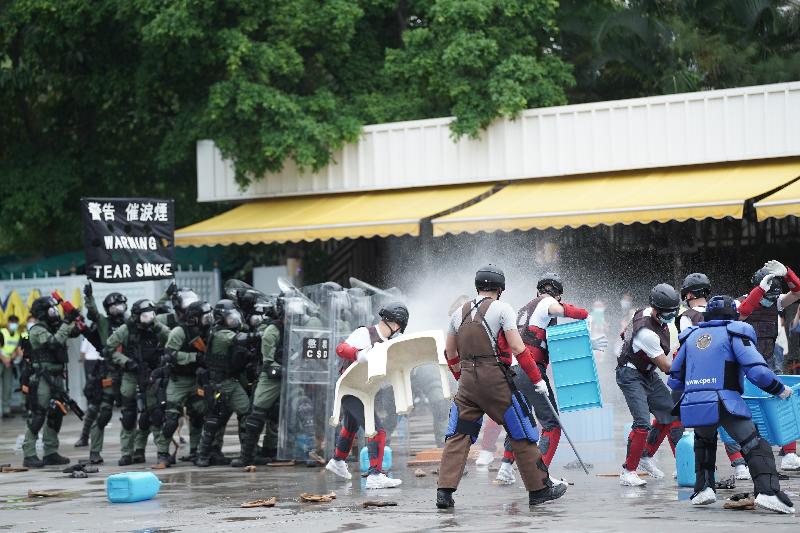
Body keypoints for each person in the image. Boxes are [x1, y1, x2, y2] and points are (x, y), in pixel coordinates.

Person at [436, 265, 566, 509]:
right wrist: (537, 380)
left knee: (458, 434)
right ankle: (539, 490)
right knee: (522, 429)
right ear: (500, 288)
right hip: (496, 379)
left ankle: (444, 493)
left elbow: (450, 352)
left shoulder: (458, 313)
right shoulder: (503, 309)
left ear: (477, 286)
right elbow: (519, 349)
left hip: (466, 382)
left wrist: (460, 378)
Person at [669, 295, 795, 514]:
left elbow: (675, 378)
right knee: (753, 443)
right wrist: (779, 389)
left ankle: (703, 490)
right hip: (724, 401)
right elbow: (756, 371)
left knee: (704, 442)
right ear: (733, 315)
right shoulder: (735, 332)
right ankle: (767, 493)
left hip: (695, 402)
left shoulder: (691, 337)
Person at [490, 273, 606, 485]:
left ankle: (505, 468)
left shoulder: (524, 310)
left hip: (512, 372)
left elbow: (551, 343)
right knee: (552, 425)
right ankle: (540, 478)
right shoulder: (547, 302)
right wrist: (584, 315)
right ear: (558, 294)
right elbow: (557, 310)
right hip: (530, 370)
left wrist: (587, 344)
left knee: (523, 422)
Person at [658, 272, 751, 481]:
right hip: (723, 375)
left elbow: (687, 346)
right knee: (728, 417)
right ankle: (739, 465)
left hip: (695, 377)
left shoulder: (686, 317)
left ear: (688, 294)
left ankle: (689, 467)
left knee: (684, 421)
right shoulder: (723, 310)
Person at [325, 302, 409, 489]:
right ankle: (375, 475)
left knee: (350, 427)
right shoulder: (365, 333)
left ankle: (337, 461)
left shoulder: (387, 344)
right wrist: (358, 354)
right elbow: (340, 348)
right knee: (376, 430)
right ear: (396, 324)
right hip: (351, 389)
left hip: (363, 391)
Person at [615, 283, 683, 486]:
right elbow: (666, 367)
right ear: (655, 309)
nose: (671, 316)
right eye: (667, 313)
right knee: (642, 423)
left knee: (669, 412)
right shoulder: (647, 333)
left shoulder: (645, 310)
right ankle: (628, 471)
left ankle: (645, 455)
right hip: (630, 374)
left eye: (674, 312)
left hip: (646, 372)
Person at [738, 260, 800, 471]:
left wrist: (788, 274)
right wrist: (759, 292)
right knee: (742, 410)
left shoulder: (775, 302)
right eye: (766, 296)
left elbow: (798, 292)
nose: (769, 301)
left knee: (785, 398)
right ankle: (743, 458)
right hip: (743, 365)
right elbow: (742, 313)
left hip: (768, 360)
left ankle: (790, 453)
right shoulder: (742, 302)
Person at [105, 299, 171, 466]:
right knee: (128, 415)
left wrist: (157, 326)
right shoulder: (126, 329)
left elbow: (172, 339)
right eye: (144, 315)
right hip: (131, 374)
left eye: (151, 314)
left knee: (156, 414)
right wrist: (126, 362)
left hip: (152, 375)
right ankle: (127, 453)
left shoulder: (157, 325)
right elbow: (109, 348)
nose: (148, 318)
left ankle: (162, 453)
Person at [195, 300, 261, 467]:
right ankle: (202, 455)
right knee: (213, 420)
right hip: (218, 383)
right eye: (230, 317)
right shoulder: (220, 334)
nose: (234, 320)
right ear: (220, 318)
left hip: (231, 381)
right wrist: (263, 333)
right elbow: (241, 339)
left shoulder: (232, 330)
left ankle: (248, 453)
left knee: (247, 412)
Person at [21, 296, 79, 467]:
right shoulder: (37, 330)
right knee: (38, 415)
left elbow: (74, 332)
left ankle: (51, 452)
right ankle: (29, 453)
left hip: (57, 376)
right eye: (51, 309)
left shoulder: (54, 327)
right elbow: (53, 342)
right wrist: (65, 324)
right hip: (42, 378)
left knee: (55, 414)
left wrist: (74, 318)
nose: (54, 312)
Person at [155, 301, 213, 468]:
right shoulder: (179, 332)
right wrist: (194, 358)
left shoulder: (209, 331)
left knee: (198, 416)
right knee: (171, 419)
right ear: (194, 318)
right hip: (178, 381)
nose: (208, 319)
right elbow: (170, 355)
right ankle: (163, 454)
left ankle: (195, 451)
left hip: (197, 380)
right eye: (205, 316)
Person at [75, 285, 128, 465]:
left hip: (130, 371)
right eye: (115, 306)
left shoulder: (131, 323)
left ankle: (134, 452)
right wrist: (88, 297)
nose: (119, 309)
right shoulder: (104, 323)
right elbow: (93, 312)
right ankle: (94, 450)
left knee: (134, 412)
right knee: (102, 412)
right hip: (109, 372)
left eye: (121, 305)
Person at [230, 299, 282, 467]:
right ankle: (247, 457)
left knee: (305, 410)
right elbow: (268, 362)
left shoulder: (302, 327)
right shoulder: (271, 330)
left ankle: (312, 454)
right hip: (272, 376)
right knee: (256, 415)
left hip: (296, 375)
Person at [0, 315, 22, 418]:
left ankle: (6, 410)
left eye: (15, 323)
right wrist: (4, 358)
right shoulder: (2, 332)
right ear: (8, 323)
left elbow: (16, 349)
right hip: (2, 360)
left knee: (7, 387)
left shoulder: (17, 335)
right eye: (11, 322)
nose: (13, 324)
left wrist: (10, 358)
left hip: (9, 363)